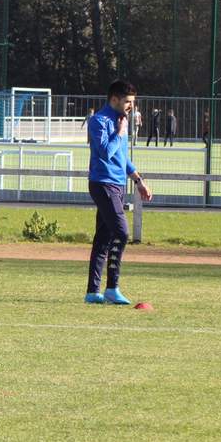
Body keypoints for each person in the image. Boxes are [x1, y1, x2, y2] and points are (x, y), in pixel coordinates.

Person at [83, 80, 152, 306]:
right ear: (114, 99)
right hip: (102, 184)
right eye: (128, 101)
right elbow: (105, 153)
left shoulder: (121, 120)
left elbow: (123, 158)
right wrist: (120, 132)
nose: (131, 106)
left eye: (133, 102)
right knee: (122, 233)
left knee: (103, 239)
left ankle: (93, 292)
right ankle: (112, 287)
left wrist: (139, 182)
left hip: (118, 185)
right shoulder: (99, 121)